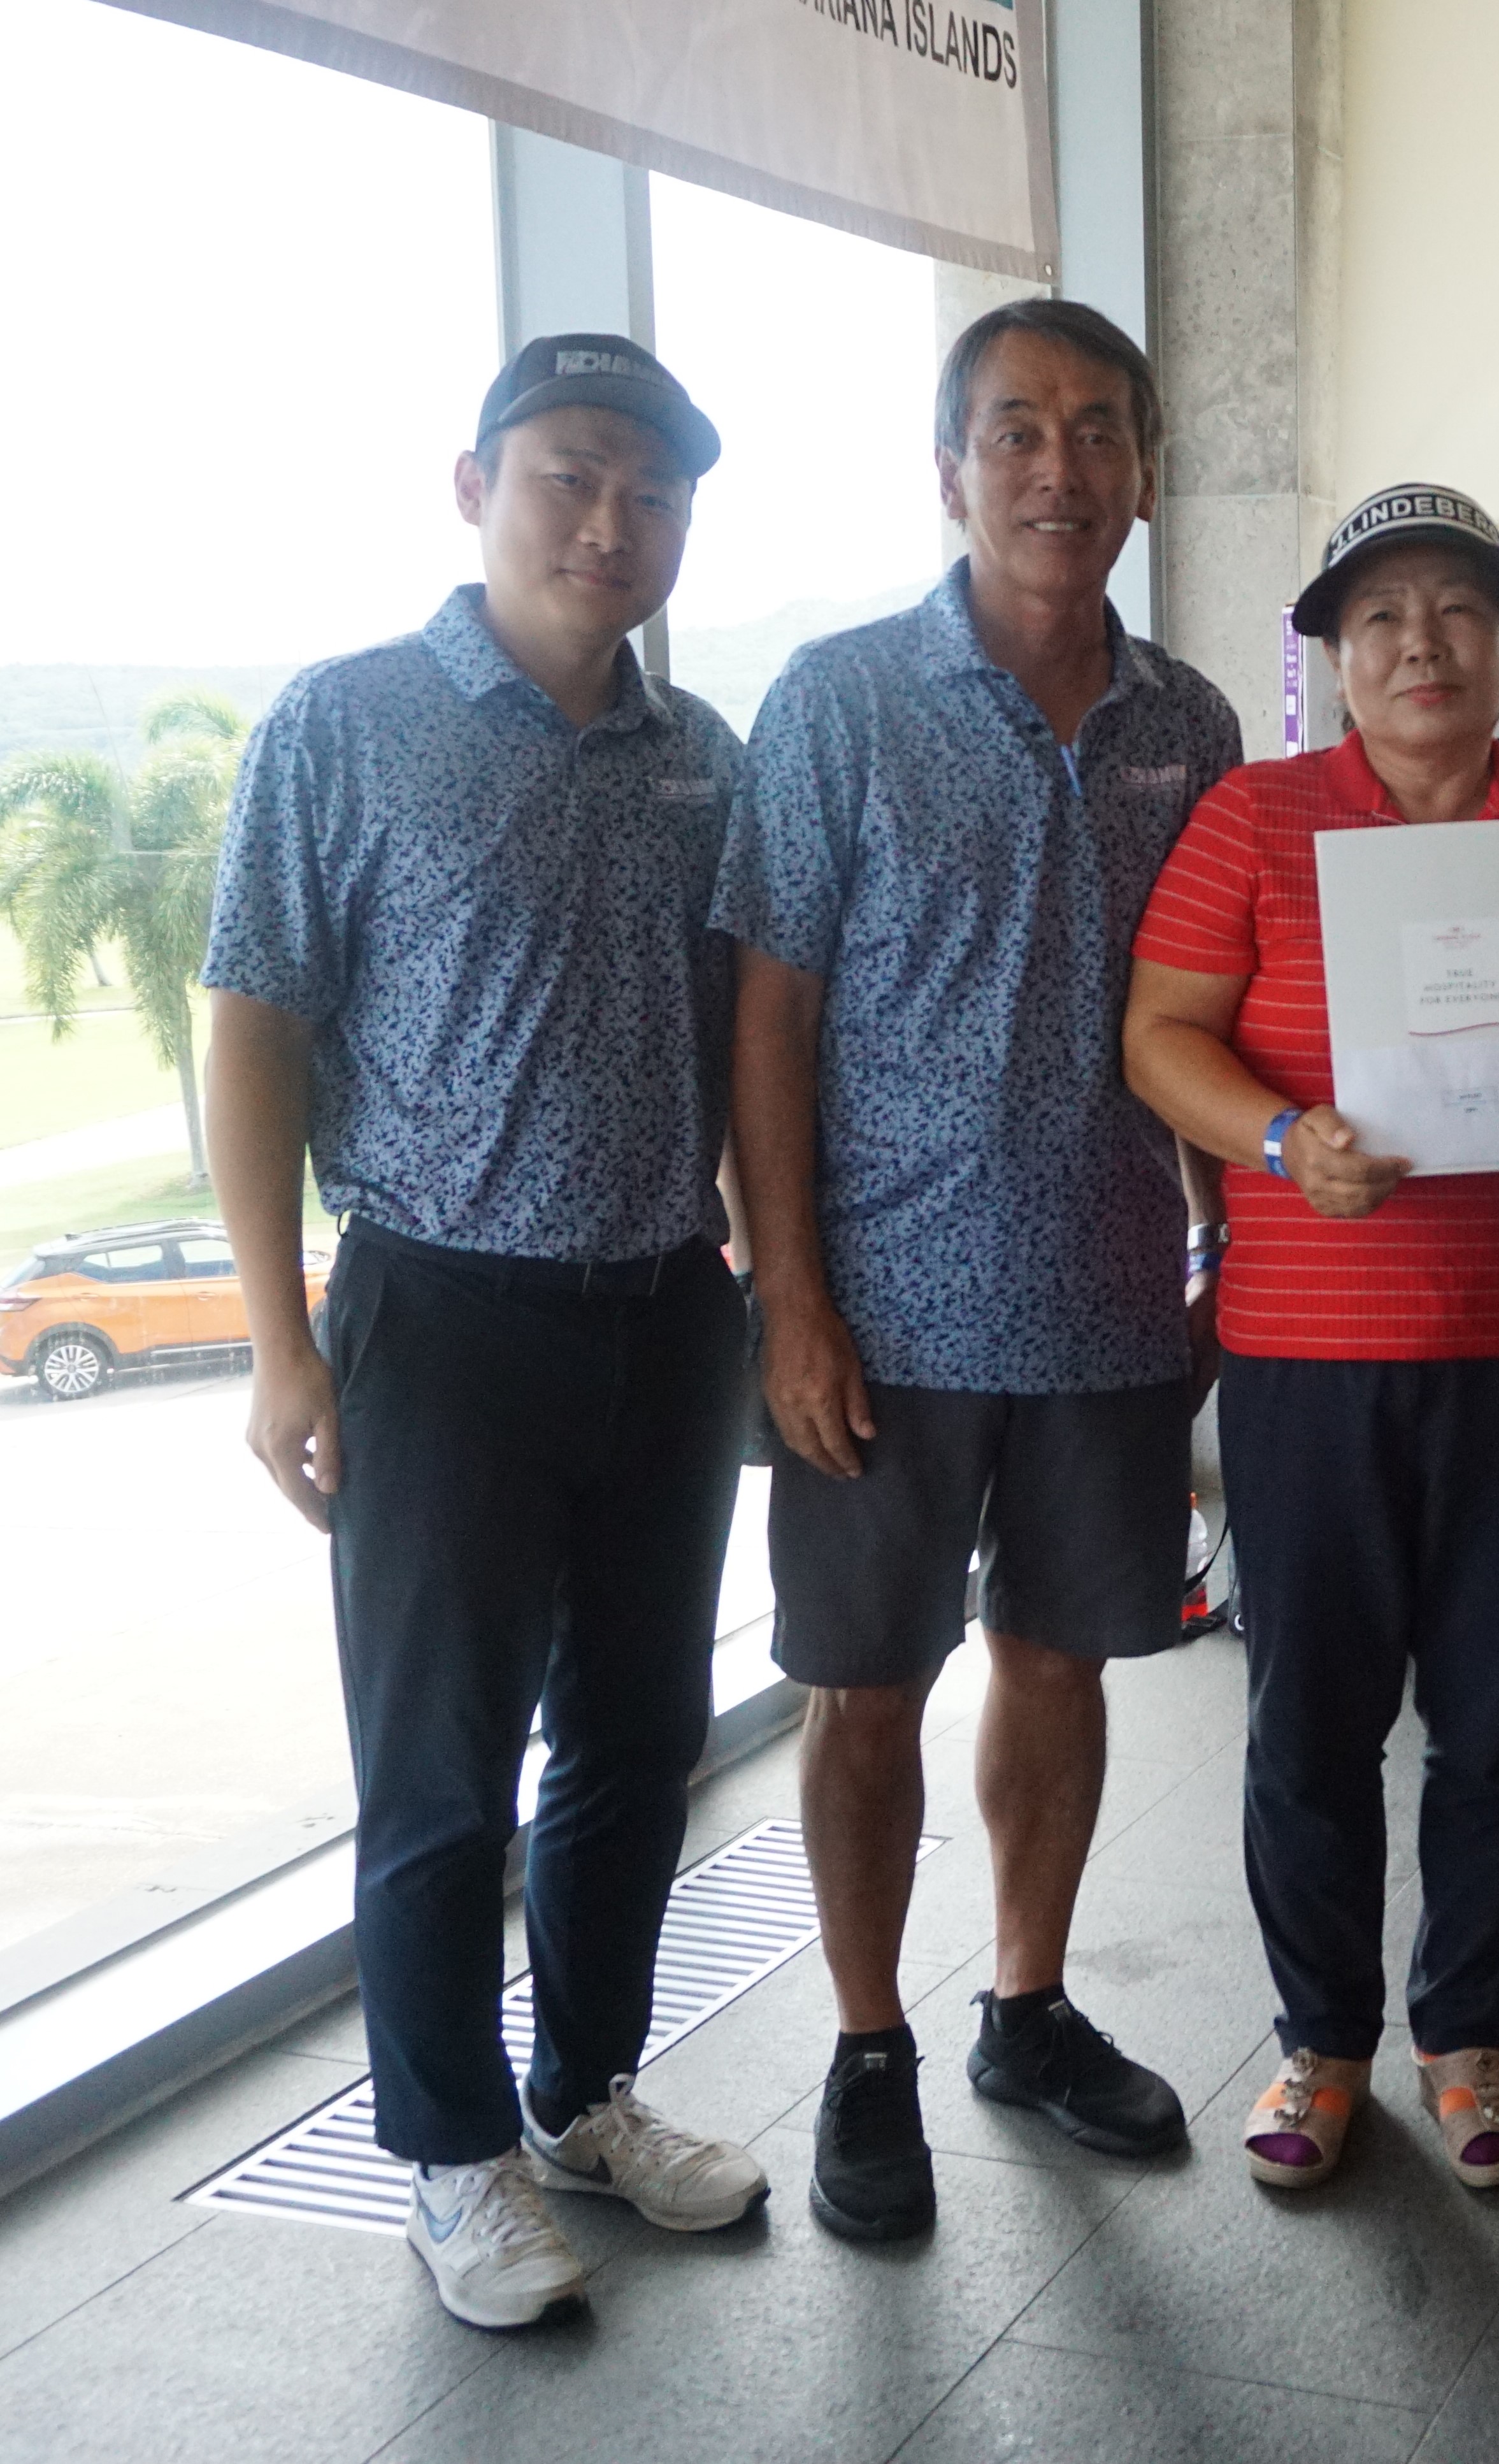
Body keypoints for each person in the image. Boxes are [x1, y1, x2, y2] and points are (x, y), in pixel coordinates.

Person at [203, 336, 767, 2331]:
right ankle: (451, 2156)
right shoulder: (347, 726)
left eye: (651, 492)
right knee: (437, 1767)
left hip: (666, 1314)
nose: (610, 522)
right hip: (437, 1312)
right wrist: (284, 1342)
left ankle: (586, 2088)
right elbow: (252, 1026)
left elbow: (745, 1048)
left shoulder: (702, 752)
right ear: (476, 485)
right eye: (569, 476)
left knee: (636, 1734)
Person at [715, 299, 1239, 2240]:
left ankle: (1024, 2004)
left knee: (1059, 1658)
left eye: (1098, 432)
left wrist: (1227, 1226)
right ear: (950, 472)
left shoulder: (1186, 722)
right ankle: (870, 2046)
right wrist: (789, 1291)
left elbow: (1202, 1009)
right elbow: (767, 1007)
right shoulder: (837, 698)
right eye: (1015, 431)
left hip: (1113, 1302)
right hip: (883, 1311)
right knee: (861, 1686)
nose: (1058, 468)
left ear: (1143, 475)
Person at [1124, 482, 1499, 2191]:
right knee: (1310, 1717)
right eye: (1380, 615)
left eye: (1456, 610)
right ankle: (1318, 2044)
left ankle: (1468, 2040)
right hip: (1306, 1348)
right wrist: (1285, 1140)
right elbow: (1158, 1037)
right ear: (1331, 656)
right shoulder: (1250, 816)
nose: (1420, 643)